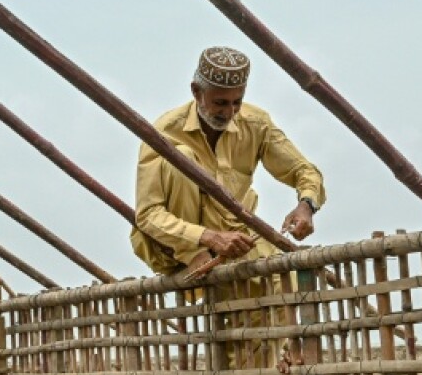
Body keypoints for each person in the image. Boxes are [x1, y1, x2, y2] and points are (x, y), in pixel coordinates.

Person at [130, 45, 325, 277]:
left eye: (237, 102)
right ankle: (193, 254)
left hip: (237, 238)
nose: (229, 112)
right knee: (181, 157)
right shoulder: (165, 132)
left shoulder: (256, 123)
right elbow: (148, 215)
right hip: (178, 245)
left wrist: (306, 206)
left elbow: (304, 171)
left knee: (284, 283)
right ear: (196, 92)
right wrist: (206, 238)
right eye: (220, 103)